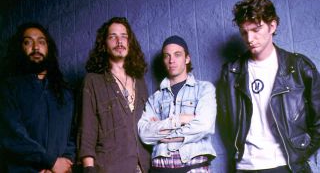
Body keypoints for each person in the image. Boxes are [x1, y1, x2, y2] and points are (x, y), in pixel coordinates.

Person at [217, 0, 320, 172]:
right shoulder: (231, 72)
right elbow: (227, 121)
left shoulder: (299, 67)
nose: (249, 39)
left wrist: (301, 153)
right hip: (246, 166)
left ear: (272, 26)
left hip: (285, 165)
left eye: (256, 30)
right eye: (244, 32)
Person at [0, 22, 76, 172]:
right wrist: (50, 162)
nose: (36, 47)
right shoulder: (9, 88)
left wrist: (65, 163)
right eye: (28, 42)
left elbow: (73, 134)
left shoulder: (64, 91)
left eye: (41, 42)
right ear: (19, 48)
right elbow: (12, 135)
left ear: (48, 48)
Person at [78, 17, 151, 173]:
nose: (119, 41)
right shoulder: (93, 81)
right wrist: (88, 168)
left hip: (144, 167)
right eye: (113, 37)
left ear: (130, 42)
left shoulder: (140, 80)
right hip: (109, 167)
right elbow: (87, 130)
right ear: (104, 44)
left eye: (124, 36)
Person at [138, 35, 217, 173]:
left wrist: (162, 133)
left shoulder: (204, 89)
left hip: (194, 168)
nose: (171, 60)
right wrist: (179, 120)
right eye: (166, 56)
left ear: (187, 58)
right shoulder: (154, 99)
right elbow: (144, 134)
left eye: (177, 54)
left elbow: (204, 125)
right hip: (160, 168)